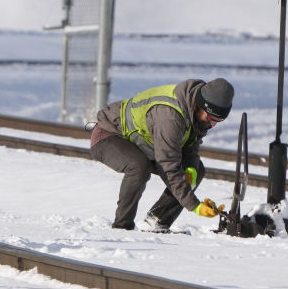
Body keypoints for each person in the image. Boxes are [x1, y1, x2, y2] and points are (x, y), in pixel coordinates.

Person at [89, 78, 234, 232]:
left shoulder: (196, 113)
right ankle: (122, 227)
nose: (213, 124)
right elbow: (169, 166)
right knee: (139, 167)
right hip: (109, 135)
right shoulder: (170, 117)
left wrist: (190, 170)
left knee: (198, 170)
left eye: (218, 121)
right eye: (211, 119)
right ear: (198, 105)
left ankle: (156, 222)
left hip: (145, 145)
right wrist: (194, 205)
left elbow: (191, 144)